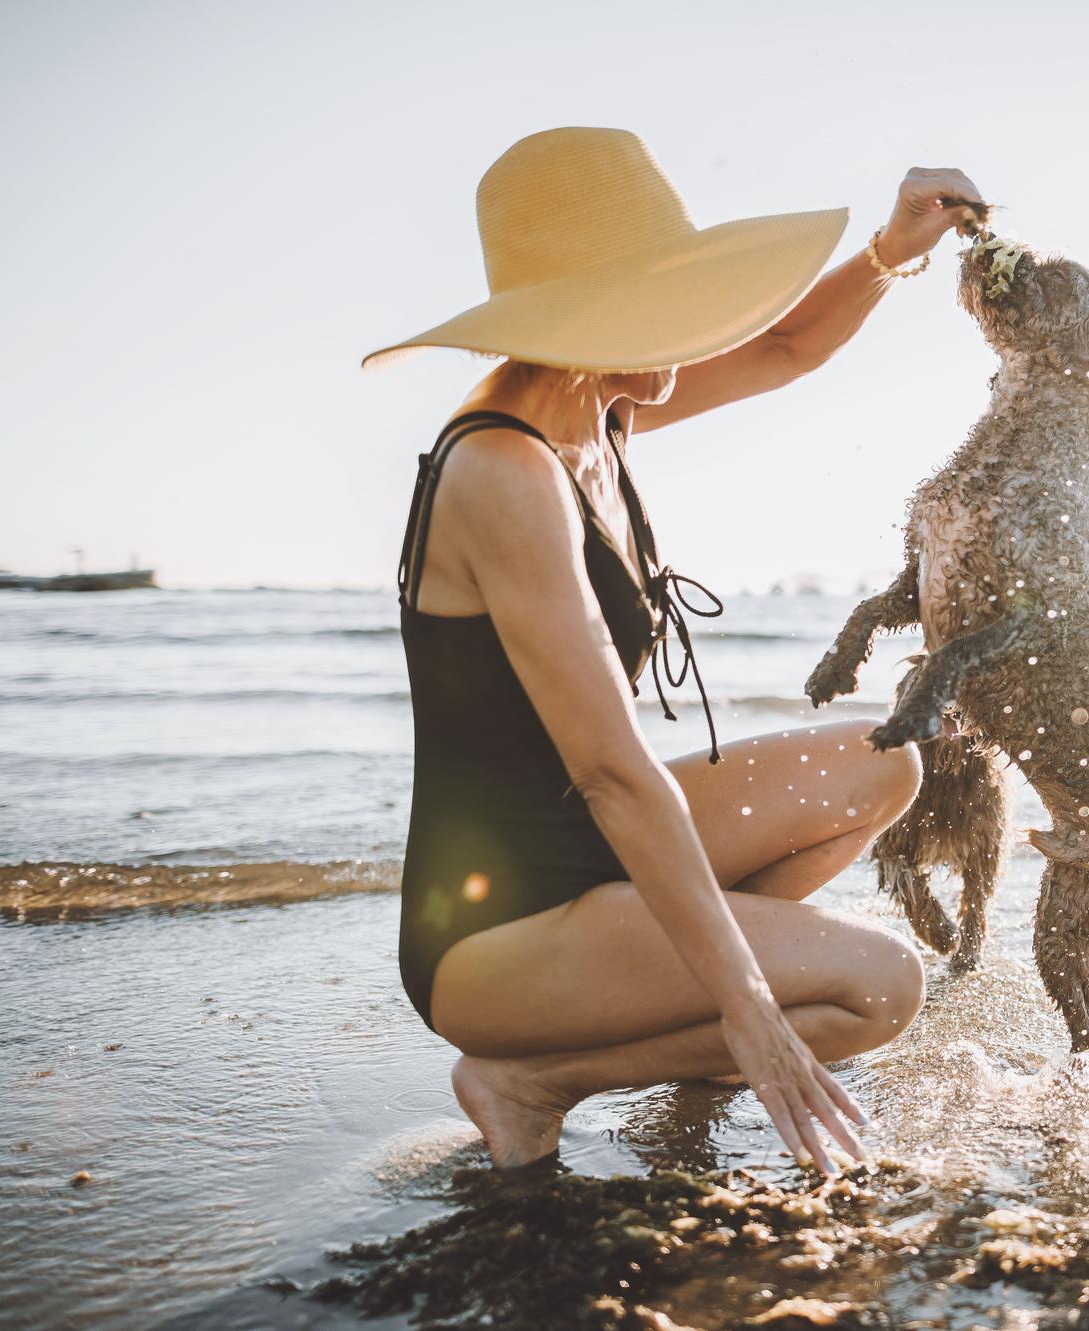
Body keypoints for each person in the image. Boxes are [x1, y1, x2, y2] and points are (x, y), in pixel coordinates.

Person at [366, 127, 984, 1171]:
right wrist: (747, 1001)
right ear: (576, 314)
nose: (696, 332)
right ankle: (535, 1078)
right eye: (667, 303)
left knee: (887, 759)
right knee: (879, 986)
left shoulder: (591, 406)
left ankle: (667, 994)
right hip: (502, 932)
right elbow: (611, 771)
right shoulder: (502, 471)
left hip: (592, 855)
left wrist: (891, 248)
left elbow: (784, 350)